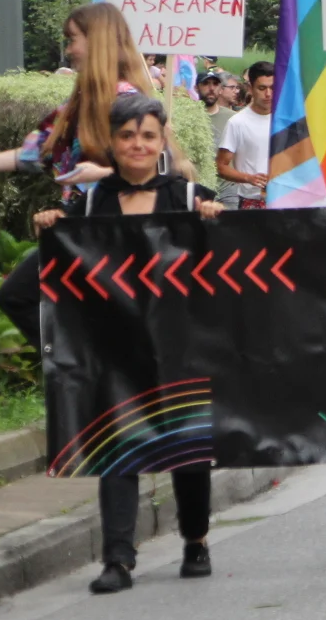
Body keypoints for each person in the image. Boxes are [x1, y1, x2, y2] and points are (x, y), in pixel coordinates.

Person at [33, 94, 224, 593]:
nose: (137, 144)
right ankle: (117, 559)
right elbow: (57, 271)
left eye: (147, 135)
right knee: (117, 450)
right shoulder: (89, 203)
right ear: (111, 143)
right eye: (127, 135)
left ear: (162, 141)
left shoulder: (188, 197)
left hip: (180, 350)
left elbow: (226, 260)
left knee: (187, 451)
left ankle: (196, 539)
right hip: (116, 353)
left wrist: (216, 219)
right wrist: (52, 225)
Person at [0, 3, 163, 348]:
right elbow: (36, 153)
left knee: (22, 296)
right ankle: (84, 364)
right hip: (81, 225)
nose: (69, 50)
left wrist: (102, 172)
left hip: (112, 226)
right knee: (33, 299)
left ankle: (83, 364)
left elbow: (158, 166)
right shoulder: (79, 104)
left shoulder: (129, 103)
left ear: (97, 41)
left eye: (73, 39)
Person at [216, 62, 275, 209]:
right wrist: (248, 178)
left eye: (272, 88)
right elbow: (221, 166)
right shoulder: (237, 122)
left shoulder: (286, 120)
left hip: (285, 199)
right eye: (262, 88)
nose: (268, 94)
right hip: (252, 201)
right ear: (250, 88)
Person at [197, 72, 234, 148]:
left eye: (215, 84)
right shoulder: (187, 116)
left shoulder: (232, 118)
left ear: (221, 90)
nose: (211, 88)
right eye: (206, 83)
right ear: (196, 88)